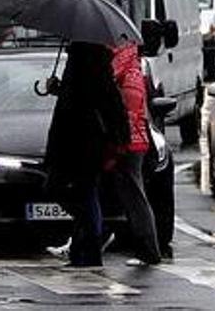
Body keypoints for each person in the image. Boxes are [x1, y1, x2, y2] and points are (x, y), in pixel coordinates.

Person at [44, 42, 129, 268]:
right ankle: (87, 244)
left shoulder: (89, 60)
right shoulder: (85, 59)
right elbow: (81, 96)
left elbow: (93, 99)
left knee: (77, 190)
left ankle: (91, 246)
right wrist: (59, 89)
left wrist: (119, 137)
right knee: (79, 192)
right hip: (81, 139)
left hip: (81, 139)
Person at [108, 42, 164, 265]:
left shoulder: (125, 73)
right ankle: (145, 248)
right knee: (132, 194)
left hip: (129, 143)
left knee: (134, 196)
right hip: (134, 141)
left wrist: (118, 146)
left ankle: (148, 250)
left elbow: (130, 112)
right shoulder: (132, 69)